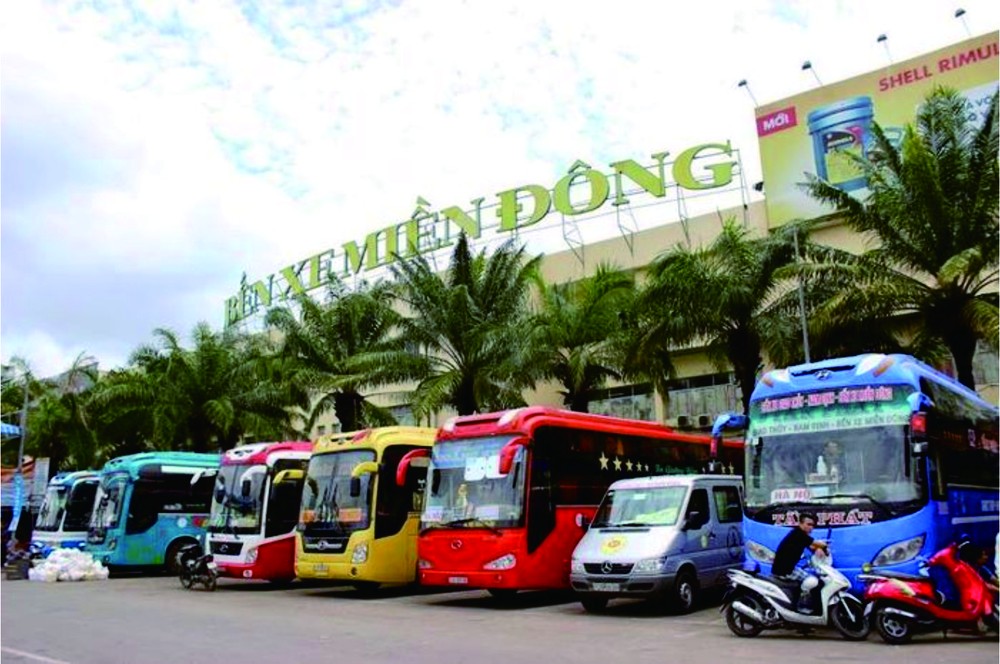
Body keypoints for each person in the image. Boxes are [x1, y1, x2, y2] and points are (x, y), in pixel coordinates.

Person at [771, 512, 828, 613]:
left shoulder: (799, 535)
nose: (811, 528)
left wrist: (817, 550)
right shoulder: (798, 533)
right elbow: (817, 543)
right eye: (808, 524)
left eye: (812, 525)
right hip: (786, 570)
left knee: (809, 579)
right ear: (801, 524)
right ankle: (803, 604)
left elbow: (811, 546)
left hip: (787, 568)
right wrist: (824, 546)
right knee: (813, 581)